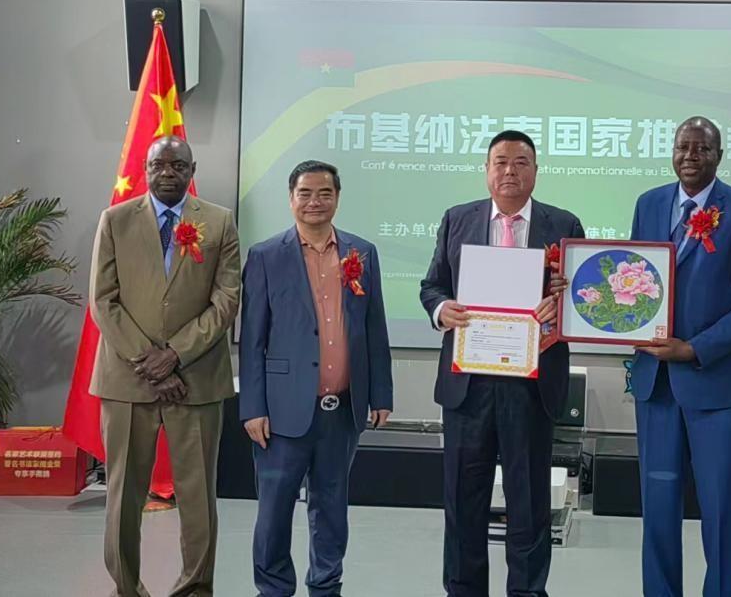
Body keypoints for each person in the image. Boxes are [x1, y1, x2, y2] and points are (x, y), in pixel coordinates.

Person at [419, 130, 584, 597]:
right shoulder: (458, 219)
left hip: (531, 385)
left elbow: (582, 295)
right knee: (462, 500)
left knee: (528, 501)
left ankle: (527, 591)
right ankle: (463, 589)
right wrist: (442, 309)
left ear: (536, 171)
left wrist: (561, 306)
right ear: (487, 170)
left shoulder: (563, 224)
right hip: (468, 383)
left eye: (521, 162)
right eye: (501, 162)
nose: (510, 171)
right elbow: (433, 286)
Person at [629, 116, 731, 597]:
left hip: (717, 384)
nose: (690, 156)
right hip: (655, 385)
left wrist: (695, 348)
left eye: (702, 148)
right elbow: (634, 279)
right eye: (683, 147)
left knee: (720, 511)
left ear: (719, 155)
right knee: (658, 508)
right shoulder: (648, 203)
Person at [90, 135, 242, 597]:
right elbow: (103, 300)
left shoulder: (219, 222)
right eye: (159, 165)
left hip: (197, 379)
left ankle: (195, 587)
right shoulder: (115, 220)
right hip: (127, 380)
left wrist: (175, 354)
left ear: (192, 171)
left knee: (198, 496)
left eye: (178, 165)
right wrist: (150, 362)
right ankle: (126, 588)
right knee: (124, 494)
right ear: (146, 170)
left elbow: (226, 300)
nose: (168, 172)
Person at [239, 160, 394, 597]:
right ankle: (273, 588)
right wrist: (252, 407)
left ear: (337, 198)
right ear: (291, 199)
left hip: (341, 408)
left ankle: (326, 586)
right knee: (274, 511)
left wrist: (381, 393)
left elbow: (374, 328)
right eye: (305, 193)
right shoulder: (266, 255)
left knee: (331, 508)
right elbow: (252, 339)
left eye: (325, 193)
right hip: (282, 410)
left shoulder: (362, 253)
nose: (315, 202)